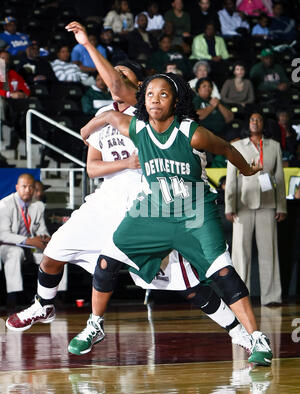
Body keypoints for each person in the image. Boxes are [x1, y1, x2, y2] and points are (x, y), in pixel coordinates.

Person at [6, 61, 252, 360]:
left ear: (139, 87)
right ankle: (43, 305)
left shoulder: (149, 113)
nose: (116, 79)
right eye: (116, 73)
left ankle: (238, 331)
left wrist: (86, 42)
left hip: (147, 202)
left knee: (185, 284)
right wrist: (125, 161)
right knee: (53, 253)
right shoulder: (103, 115)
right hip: (104, 200)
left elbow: (212, 146)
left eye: (125, 76)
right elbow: (93, 168)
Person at [73, 71, 274, 366]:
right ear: (143, 99)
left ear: (175, 101)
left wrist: (245, 169)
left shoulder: (190, 132)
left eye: (163, 94)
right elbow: (109, 118)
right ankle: (95, 324)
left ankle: (257, 337)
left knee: (222, 272)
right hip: (153, 210)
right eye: (150, 94)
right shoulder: (137, 127)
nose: (155, 99)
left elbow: (227, 148)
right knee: (107, 261)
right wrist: (87, 127)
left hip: (194, 212)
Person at [225, 111, 287, 306]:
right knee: (240, 254)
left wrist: (281, 206)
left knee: (269, 252)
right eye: (251, 119)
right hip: (242, 205)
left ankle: (271, 297)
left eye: (258, 119)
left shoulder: (274, 146)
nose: (255, 122)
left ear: (263, 124)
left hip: (268, 204)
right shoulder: (236, 146)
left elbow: (278, 179)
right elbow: (231, 179)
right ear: (248, 123)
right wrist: (229, 205)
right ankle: (240, 297)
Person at [0, 174, 51, 308]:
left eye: (31, 187)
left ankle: (52, 297)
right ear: (17, 187)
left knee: (55, 254)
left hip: (31, 244)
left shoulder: (38, 205)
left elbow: (42, 228)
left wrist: (45, 238)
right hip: (7, 245)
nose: (27, 190)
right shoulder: (5, 204)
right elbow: (3, 235)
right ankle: (14, 297)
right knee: (15, 252)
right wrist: (29, 241)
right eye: (24, 186)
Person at [0, 50, 30, 151]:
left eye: (7, 59)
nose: (5, 61)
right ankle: (5, 125)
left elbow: (26, 88)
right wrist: (10, 94)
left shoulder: (13, 73)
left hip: (16, 102)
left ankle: (19, 132)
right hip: (4, 100)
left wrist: (23, 94)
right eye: (2, 58)